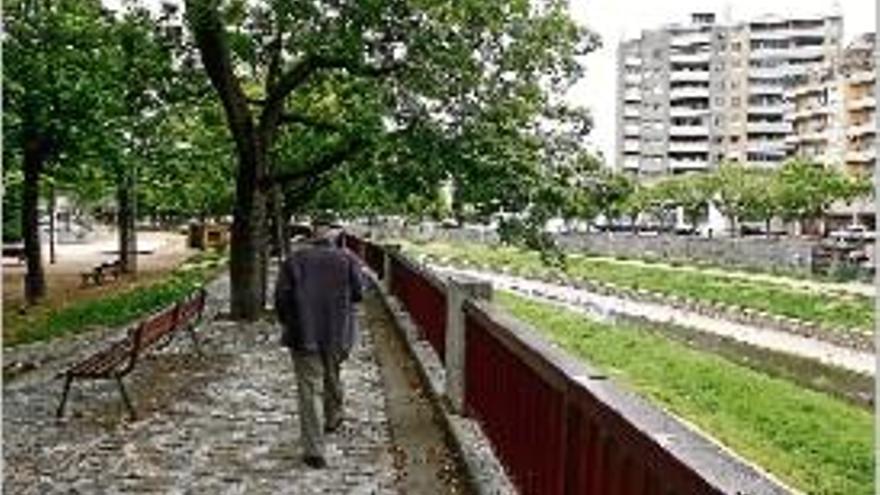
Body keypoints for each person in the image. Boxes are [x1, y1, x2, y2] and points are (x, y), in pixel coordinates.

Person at [274, 214, 363, 469]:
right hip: (338, 332)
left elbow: (281, 299)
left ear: (313, 233)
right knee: (333, 373)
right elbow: (358, 295)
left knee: (309, 388)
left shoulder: (295, 260)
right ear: (335, 234)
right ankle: (333, 417)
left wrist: (290, 321)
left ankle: (314, 448)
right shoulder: (348, 259)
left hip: (304, 333)